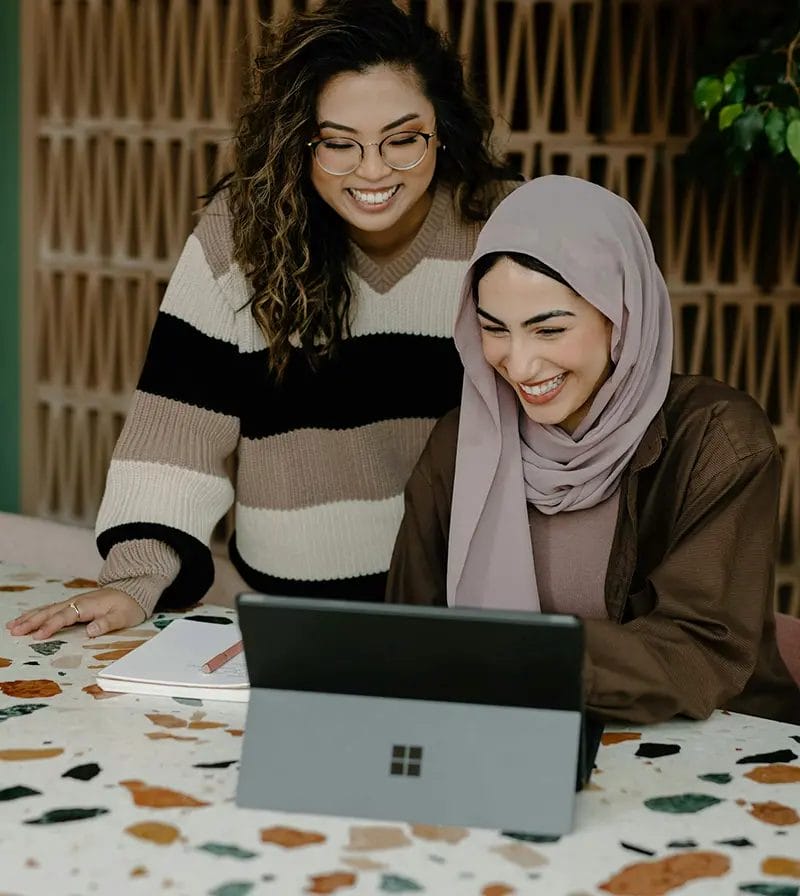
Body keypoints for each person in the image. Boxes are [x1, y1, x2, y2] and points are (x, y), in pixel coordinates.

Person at [8, 0, 518, 641]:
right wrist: (135, 581)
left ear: (441, 129)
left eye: (402, 139)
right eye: (338, 144)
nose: (372, 170)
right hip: (289, 615)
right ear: (299, 140)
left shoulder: (501, 225)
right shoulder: (242, 233)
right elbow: (178, 429)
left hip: (469, 604)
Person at [386, 175, 800, 725]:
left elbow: (701, 650)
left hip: (708, 750)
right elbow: (407, 629)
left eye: (549, 330)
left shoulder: (717, 439)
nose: (520, 363)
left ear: (621, 314)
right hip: (508, 739)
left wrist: (515, 658)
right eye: (494, 329)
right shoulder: (461, 443)